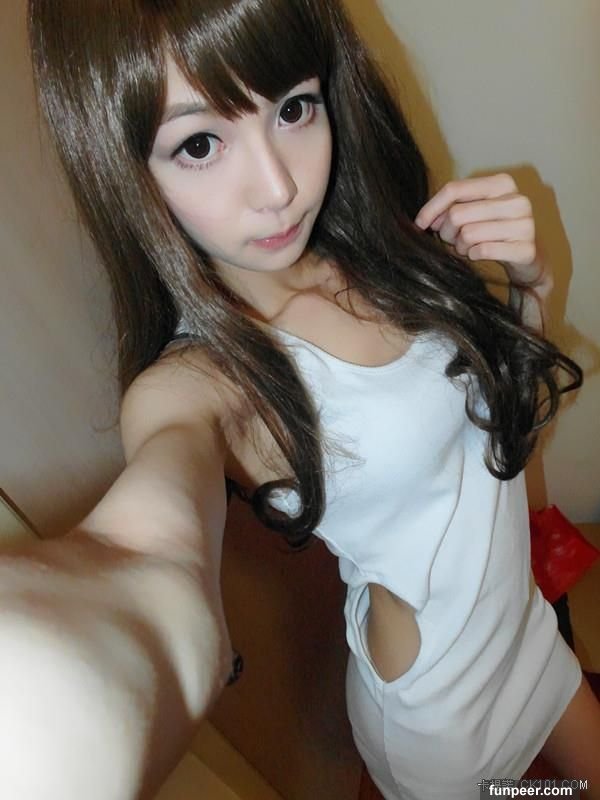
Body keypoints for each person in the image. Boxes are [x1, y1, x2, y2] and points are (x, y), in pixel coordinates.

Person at [13, 0, 598, 798]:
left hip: (523, 621)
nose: (279, 187)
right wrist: (67, 672)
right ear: (127, 169)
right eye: (200, 144)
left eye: (292, 108)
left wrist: (533, 285)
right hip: (442, 714)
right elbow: (145, 544)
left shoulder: (377, 248)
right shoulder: (207, 380)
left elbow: (497, 422)